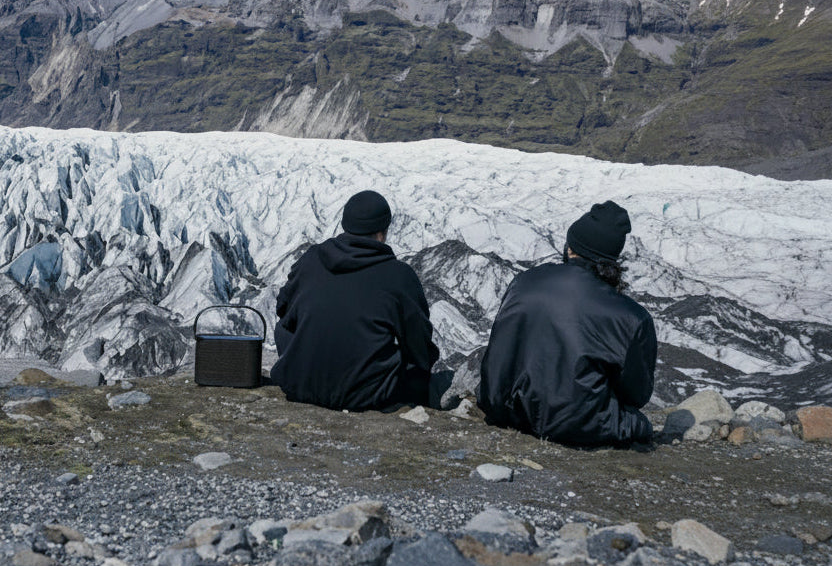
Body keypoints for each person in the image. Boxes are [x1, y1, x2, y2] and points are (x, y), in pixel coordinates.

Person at [478, 200, 657, 446]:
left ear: (570, 248)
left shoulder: (524, 282)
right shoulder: (631, 317)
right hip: (576, 425)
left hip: (504, 409)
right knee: (640, 424)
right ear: (612, 260)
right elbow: (636, 394)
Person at [270, 190, 439, 411]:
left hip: (299, 385)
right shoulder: (398, 276)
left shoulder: (312, 258)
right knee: (413, 369)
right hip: (364, 396)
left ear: (345, 225)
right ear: (382, 232)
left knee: (283, 329)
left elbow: (283, 308)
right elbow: (419, 344)